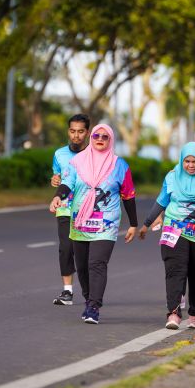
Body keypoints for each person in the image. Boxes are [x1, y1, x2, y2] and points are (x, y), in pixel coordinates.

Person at [50, 124, 137, 324]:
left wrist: (133, 224)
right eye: (97, 135)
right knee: (81, 267)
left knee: (97, 263)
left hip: (106, 224)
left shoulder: (120, 165)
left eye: (105, 137)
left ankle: (94, 307)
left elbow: (128, 195)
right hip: (80, 221)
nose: (100, 139)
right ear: (91, 138)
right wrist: (57, 197)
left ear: (110, 140)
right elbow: (67, 183)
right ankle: (89, 298)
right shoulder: (77, 161)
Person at [139, 142, 195, 330]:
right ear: (182, 160)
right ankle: (174, 313)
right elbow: (161, 201)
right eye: (187, 161)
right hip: (174, 229)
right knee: (175, 271)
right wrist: (146, 224)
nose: (190, 165)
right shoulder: (172, 176)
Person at [51, 114, 90, 306]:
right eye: (73, 131)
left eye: (80, 131)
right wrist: (54, 180)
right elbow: (58, 176)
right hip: (65, 208)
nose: (76, 135)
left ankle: (90, 291)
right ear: (68, 131)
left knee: (85, 253)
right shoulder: (59, 154)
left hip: (88, 210)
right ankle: (67, 291)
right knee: (66, 248)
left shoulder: (94, 154)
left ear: (87, 133)